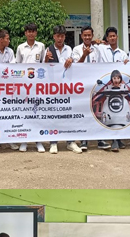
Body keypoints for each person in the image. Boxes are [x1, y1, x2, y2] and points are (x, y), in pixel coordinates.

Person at [72, 26, 111, 151]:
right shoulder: (76, 49)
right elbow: (76, 66)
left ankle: (100, 139)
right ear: (81, 36)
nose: (87, 37)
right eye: (85, 35)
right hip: (82, 86)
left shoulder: (98, 50)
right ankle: (84, 140)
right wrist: (84, 55)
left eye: (89, 35)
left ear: (92, 36)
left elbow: (100, 67)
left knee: (97, 112)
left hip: (94, 86)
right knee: (84, 113)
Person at [94, 26, 130, 152]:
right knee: (107, 112)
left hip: (119, 89)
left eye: (114, 36)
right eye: (110, 36)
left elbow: (127, 70)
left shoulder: (123, 53)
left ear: (117, 37)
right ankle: (112, 140)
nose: (112, 38)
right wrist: (96, 42)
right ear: (107, 38)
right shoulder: (101, 49)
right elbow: (91, 44)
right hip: (106, 87)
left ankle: (118, 139)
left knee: (119, 112)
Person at [45, 25, 79, 154]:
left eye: (62, 36)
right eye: (58, 36)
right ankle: (53, 142)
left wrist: (71, 60)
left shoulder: (69, 49)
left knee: (68, 114)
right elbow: (42, 68)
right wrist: (46, 59)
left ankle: (70, 142)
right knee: (54, 114)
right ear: (54, 36)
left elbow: (75, 64)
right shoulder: (48, 49)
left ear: (65, 37)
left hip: (67, 87)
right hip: (53, 88)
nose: (60, 39)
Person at [15, 23, 47, 153]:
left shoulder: (41, 46)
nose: (31, 34)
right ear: (25, 33)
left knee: (37, 112)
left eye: (33, 31)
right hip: (24, 86)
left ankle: (38, 141)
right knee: (25, 112)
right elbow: (16, 66)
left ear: (36, 33)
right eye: (29, 31)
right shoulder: (20, 47)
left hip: (38, 85)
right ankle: (24, 141)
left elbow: (44, 64)